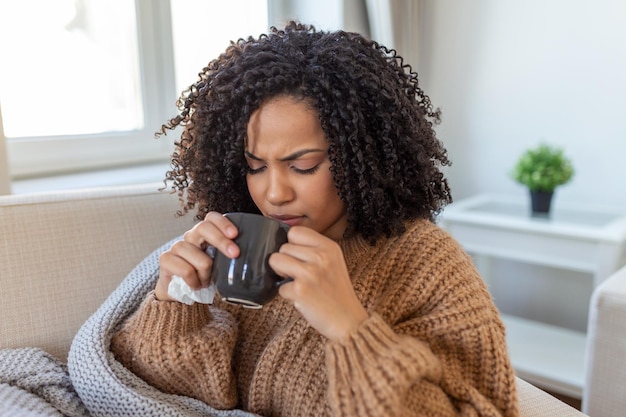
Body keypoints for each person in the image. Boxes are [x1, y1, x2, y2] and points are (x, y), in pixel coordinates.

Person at [110, 21, 519, 417]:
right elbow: (159, 392)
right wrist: (177, 302)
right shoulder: (242, 243)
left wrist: (350, 327)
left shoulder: (427, 264)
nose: (274, 193)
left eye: (303, 166)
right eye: (255, 166)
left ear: (364, 158)